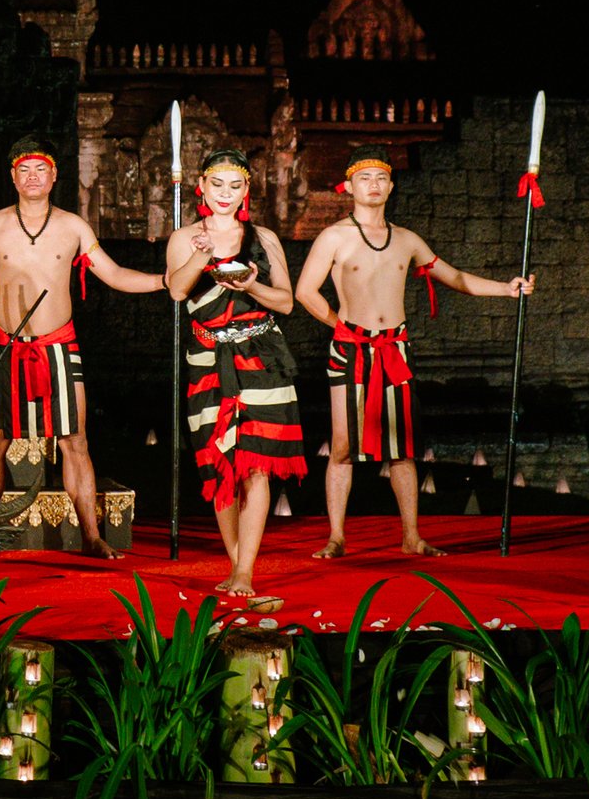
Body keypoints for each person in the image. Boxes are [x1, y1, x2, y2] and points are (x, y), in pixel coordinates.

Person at [293, 145, 535, 558]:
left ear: (391, 186)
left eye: (381, 178)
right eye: (365, 178)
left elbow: (453, 276)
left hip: (395, 348)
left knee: (403, 448)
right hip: (351, 350)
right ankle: (336, 536)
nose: (374, 185)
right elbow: (305, 291)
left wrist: (505, 288)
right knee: (343, 446)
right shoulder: (334, 236)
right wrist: (341, 327)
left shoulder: (405, 239)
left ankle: (411, 536)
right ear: (349, 186)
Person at [0, 135, 167, 558]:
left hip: (59, 346)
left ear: (54, 175)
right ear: (13, 177)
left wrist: (164, 282)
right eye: (24, 170)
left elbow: (111, 273)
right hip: (7, 345)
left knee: (75, 441)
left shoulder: (73, 226)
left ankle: (92, 537)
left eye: (41, 169)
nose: (33, 177)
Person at [164, 148, 306, 599]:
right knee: (218, 461)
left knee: (256, 467)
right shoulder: (185, 237)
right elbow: (176, 290)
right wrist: (200, 257)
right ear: (201, 187)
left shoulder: (262, 238)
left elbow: (285, 302)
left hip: (261, 354)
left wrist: (251, 285)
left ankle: (246, 570)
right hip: (207, 358)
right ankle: (233, 564)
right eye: (218, 185)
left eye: (236, 186)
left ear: (247, 190)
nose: (226, 194)